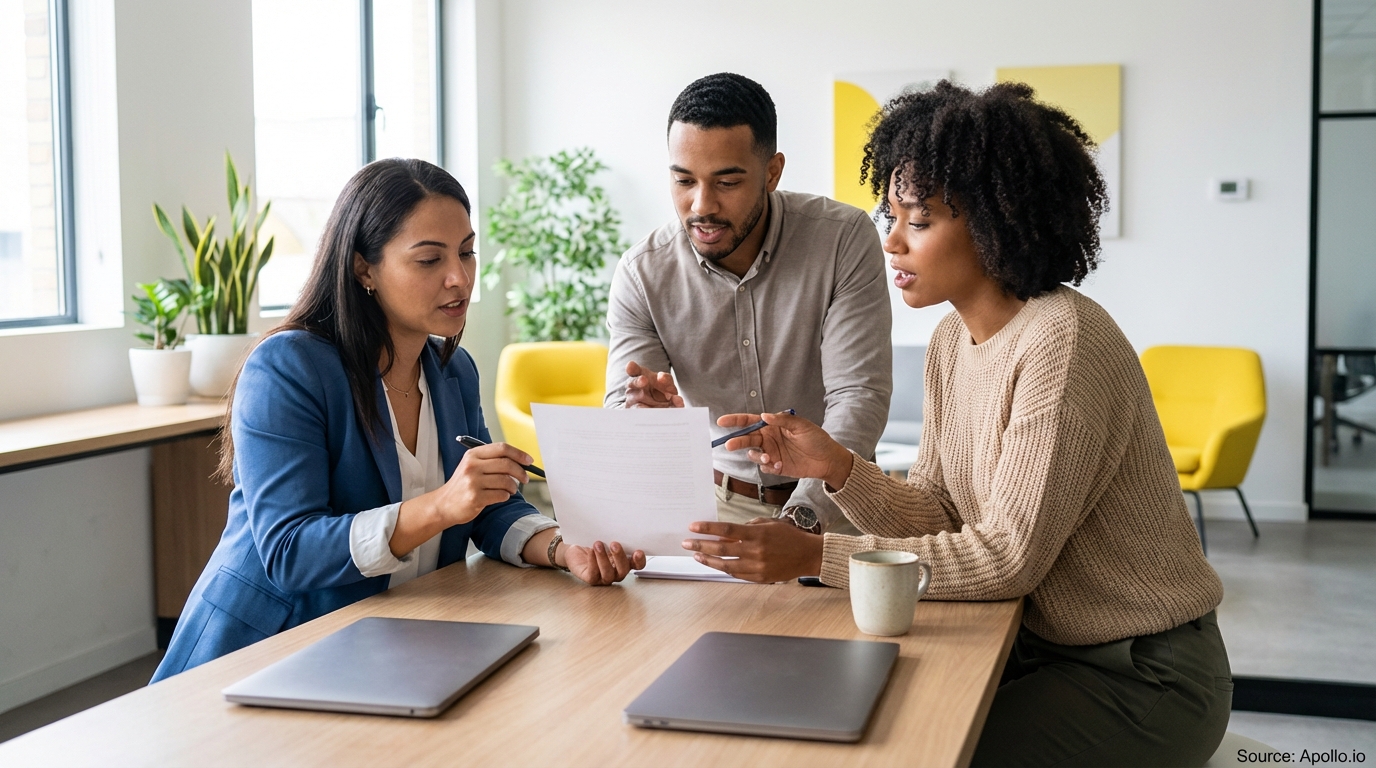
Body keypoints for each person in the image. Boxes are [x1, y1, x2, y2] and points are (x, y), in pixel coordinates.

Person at [685, 81, 1232, 765]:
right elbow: (941, 508)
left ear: (997, 221)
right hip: (1039, 648)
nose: (890, 244)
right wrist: (837, 468)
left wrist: (818, 557)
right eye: (891, 216)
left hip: (1141, 674)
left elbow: (1006, 557)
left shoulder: (1063, 342)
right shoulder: (952, 341)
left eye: (917, 221)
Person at [153, 159, 644, 683]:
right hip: (268, 653)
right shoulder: (288, 367)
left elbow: (484, 509)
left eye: (467, 252)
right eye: (429, 259)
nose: (459, 278)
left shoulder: (454, 370)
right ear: (364, 269)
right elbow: (290, 551)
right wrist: (438, 507)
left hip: (392, 643)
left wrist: (561, 549)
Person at [605, 72, 892, 535]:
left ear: (772, 173)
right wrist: (641, 420)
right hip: (716, 507)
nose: (702, 205)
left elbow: (858, 396)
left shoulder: (842, 239)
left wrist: (804, 518)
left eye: (727, 182)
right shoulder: (643, 272)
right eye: (683, 180)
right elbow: (624, 404)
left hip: (839, 507)